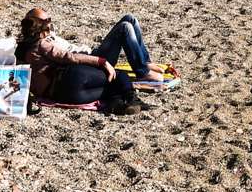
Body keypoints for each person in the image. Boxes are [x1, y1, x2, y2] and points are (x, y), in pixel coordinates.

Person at [15, 7, 165, 114]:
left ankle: (141, 66)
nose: (50, 23)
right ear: (37, 25)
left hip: (67, 84)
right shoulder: (43, 43)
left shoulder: (28, 45)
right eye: (46, 21)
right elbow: (69, 58)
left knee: (129, 18)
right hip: (84, 64)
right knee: (124, 29)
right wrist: (101, 61)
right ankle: (141, 73)